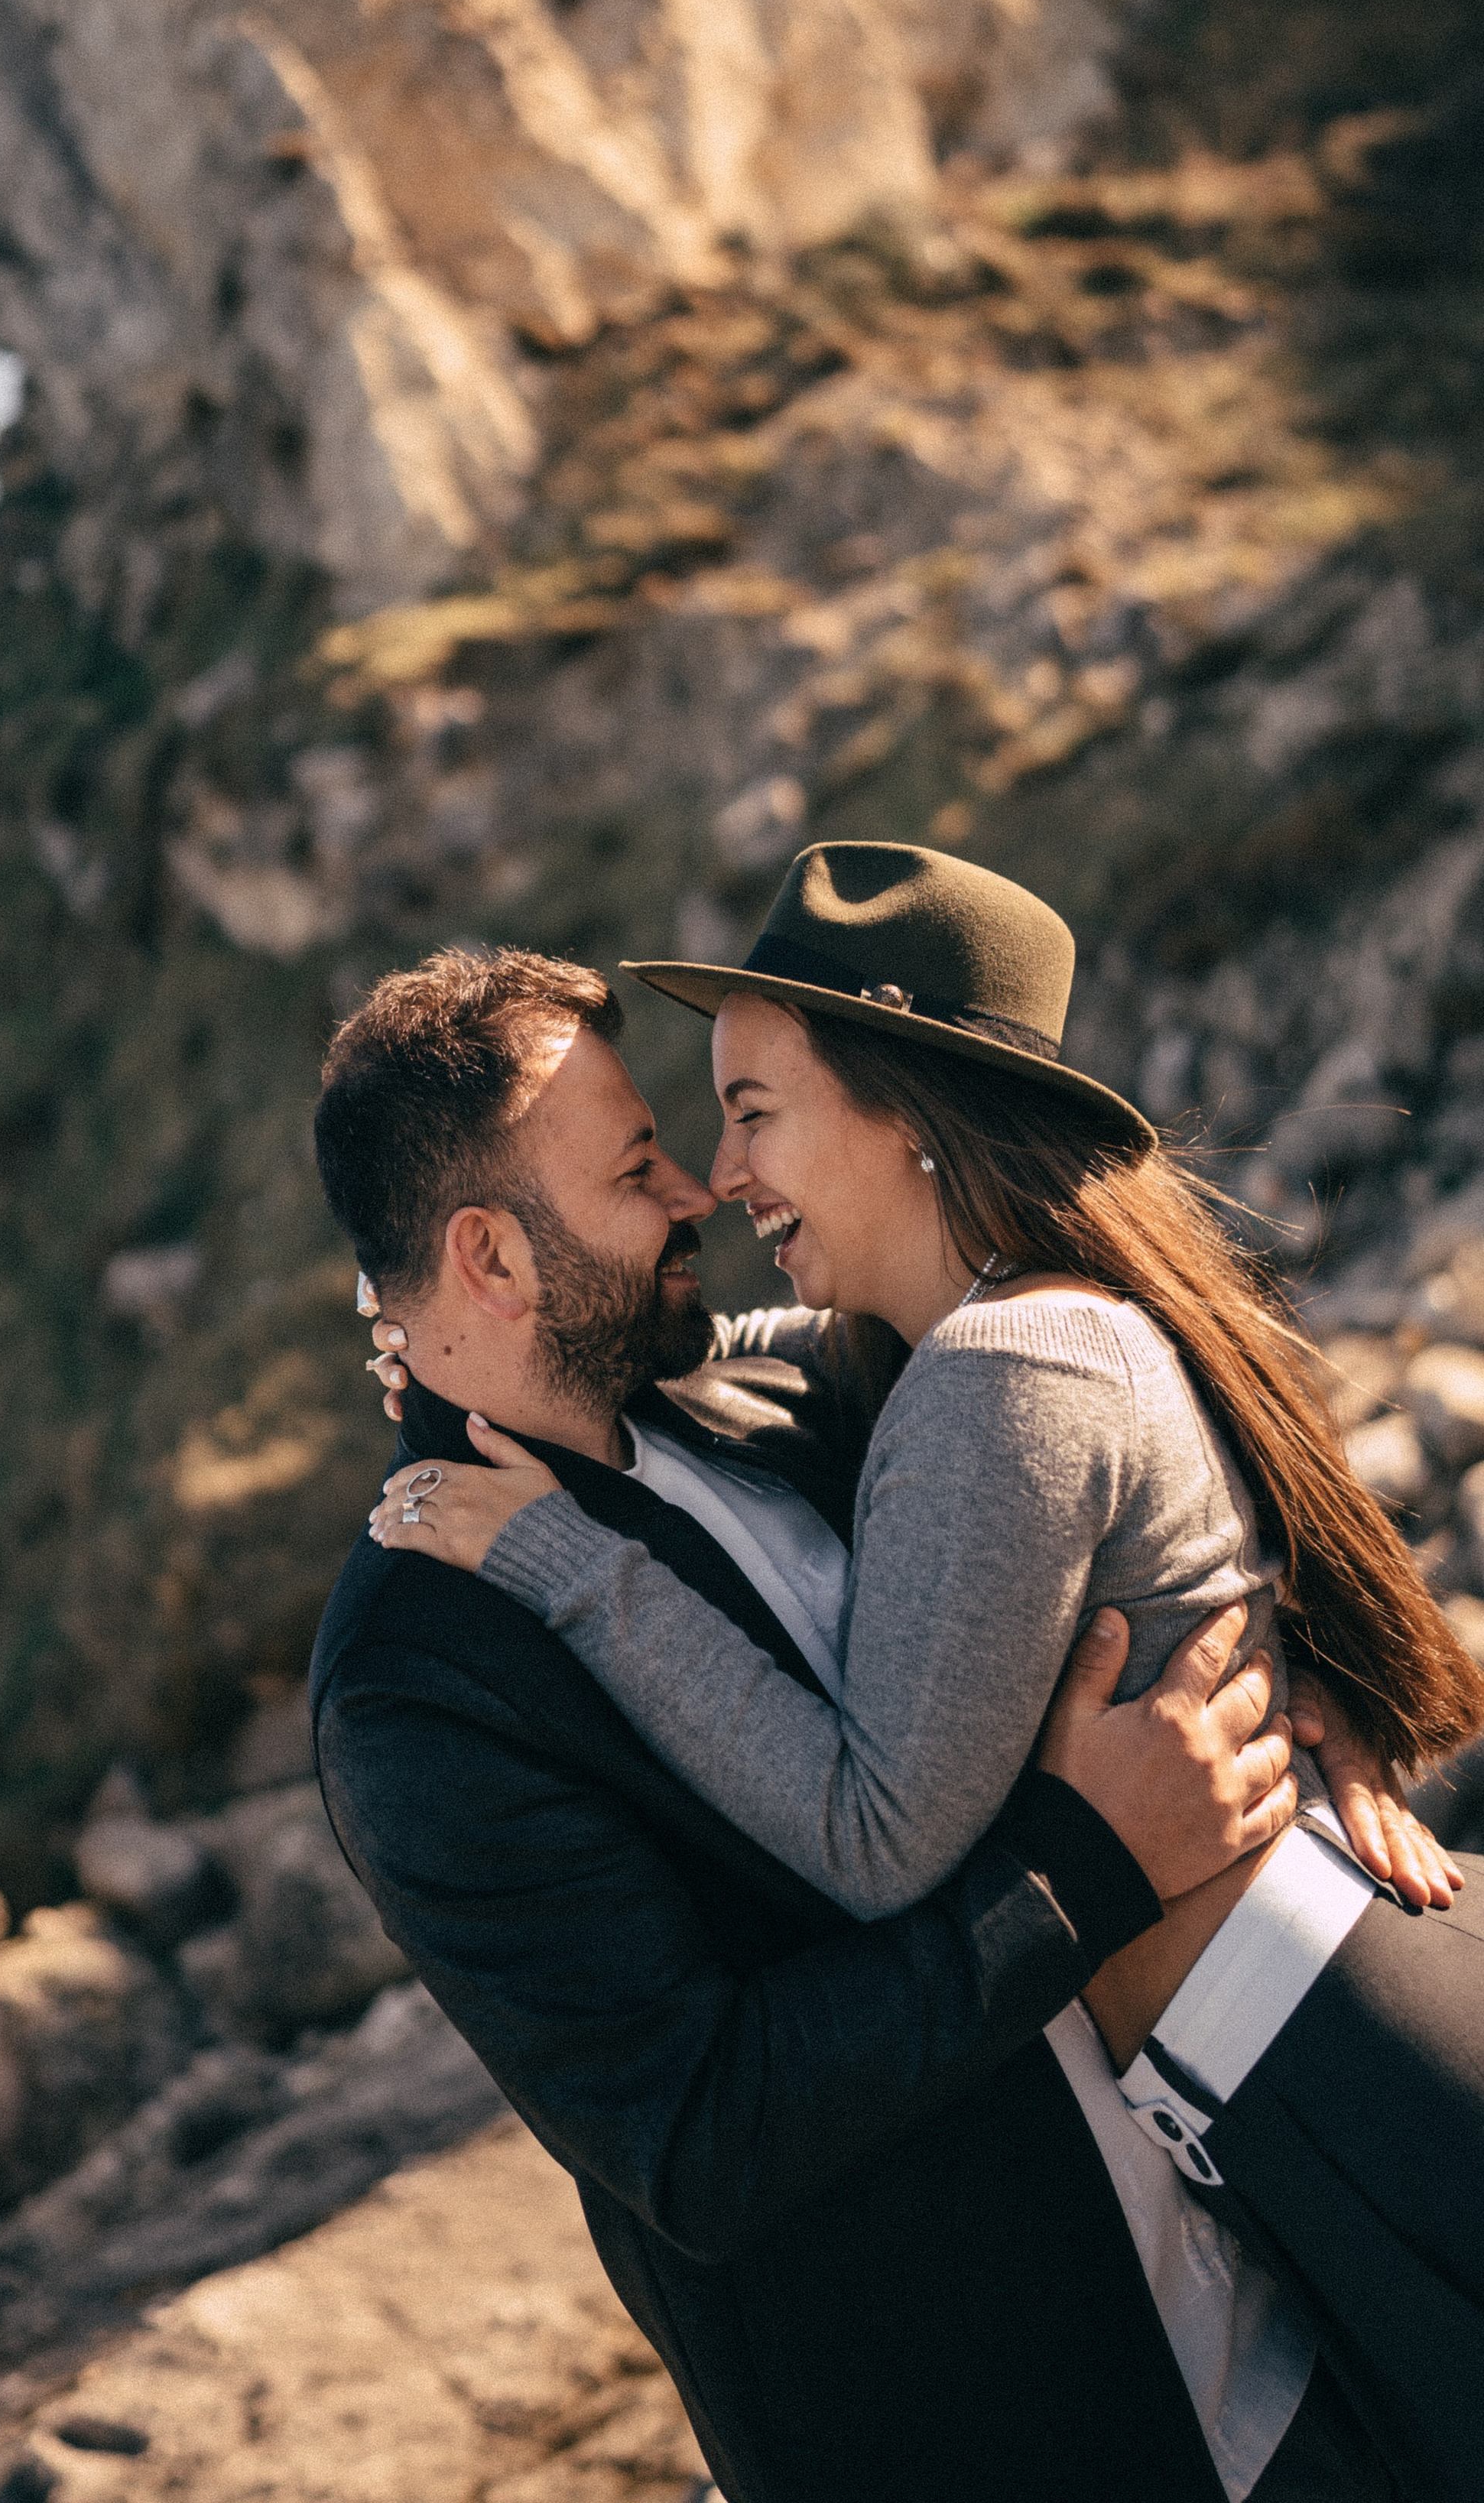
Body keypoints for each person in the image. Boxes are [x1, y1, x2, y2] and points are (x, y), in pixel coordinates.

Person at [368, 848, 1484, 2503]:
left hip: (1323, 2051)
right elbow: (706, 1373)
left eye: (747, 1112)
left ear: (903, 1111)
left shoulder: (990, 1370)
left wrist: (568, 1560)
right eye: (672, 1145)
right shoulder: (975, 1344)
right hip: (1273, 2086)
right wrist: (433, 1357)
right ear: (491, 1253)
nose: (718, 1181)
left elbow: (875, 1836)